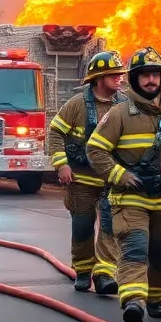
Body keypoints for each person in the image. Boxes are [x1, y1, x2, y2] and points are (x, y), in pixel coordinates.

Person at [87, 47, 161, 322]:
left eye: (156, 74)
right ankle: (133, 302)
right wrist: (119, 175)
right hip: (132, 198)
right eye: (145, 75)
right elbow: (95, 150)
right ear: (135, 79)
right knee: (135, 248)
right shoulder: (119, 113)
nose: (151, 80)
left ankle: (154, 298)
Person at [46, 51, 126, 295]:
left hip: (112, 180)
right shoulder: (77, 104)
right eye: (114, 75)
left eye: (120, 74)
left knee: (110, 228)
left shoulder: (124, 105)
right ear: (98, 78)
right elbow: (55, 133)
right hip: (81, 179)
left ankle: (104, 274)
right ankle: (82, 271)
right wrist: (62, 165)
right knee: (82, 226)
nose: (120, 79)